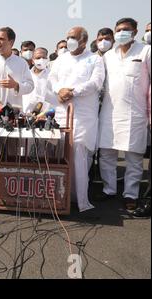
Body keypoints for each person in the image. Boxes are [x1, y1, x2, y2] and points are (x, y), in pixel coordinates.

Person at [48, 27, 105, 213]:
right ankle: (59, 197)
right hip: (62, 112)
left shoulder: (95, 59)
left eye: (73, 37)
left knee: (79, 154)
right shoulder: (61, 58)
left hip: (83, 115)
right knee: (60, 152)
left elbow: (96, 82)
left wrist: (71, 91)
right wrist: (59, 90)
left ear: (83, 40)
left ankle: (78, 199)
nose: (69, 40)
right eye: (67, 37)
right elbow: (52, 79)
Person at [98, 18, 151, 211]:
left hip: (135, 114)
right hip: (109, 114)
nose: (121, 33)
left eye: (126, 30)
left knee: (134, 158)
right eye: (118, 30)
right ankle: (109, 189)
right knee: (106, 155)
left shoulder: (145, 51)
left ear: (135, 32)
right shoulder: (108, 56)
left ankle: (131, 194)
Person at [0, 27, 34, 116]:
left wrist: (16, 86)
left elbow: (30, 86)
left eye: (1, 39)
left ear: (11, 42)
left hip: (15, 113)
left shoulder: (21, 63)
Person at [22, 47, 50, 113]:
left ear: (47, 59)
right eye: (38, 58)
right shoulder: (25, 75)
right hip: (27, 115)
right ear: (32, 61)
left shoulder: (52, 75)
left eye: (44, 58)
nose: (41, 60)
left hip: (46, 116)